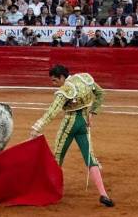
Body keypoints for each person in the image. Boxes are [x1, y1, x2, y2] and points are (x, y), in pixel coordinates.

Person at [30, 64, 114, 207]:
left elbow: (52, 111)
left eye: (55, 81)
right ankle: (103, 194)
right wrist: (92, 113)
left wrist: (37, 127)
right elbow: (100, 93)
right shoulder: (84, 78)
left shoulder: (65, 90)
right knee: (90, 158)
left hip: (70, 124)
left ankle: (53, 190)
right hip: (83, 123)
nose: (53, 84)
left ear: (62, 77)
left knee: (57, 156)